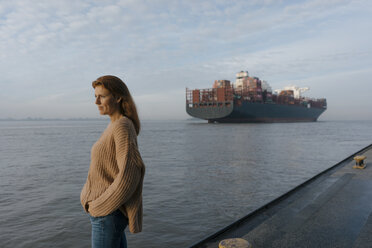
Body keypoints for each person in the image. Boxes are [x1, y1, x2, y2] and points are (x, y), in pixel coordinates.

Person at [80, 75, 145, 248]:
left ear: (117, 97)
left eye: (101, 96)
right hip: (107, 215)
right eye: (95, 96)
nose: (96, 102)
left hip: (107, 216)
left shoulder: (122, 126)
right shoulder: (114, 125)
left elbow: (130, 174)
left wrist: (102, 205)